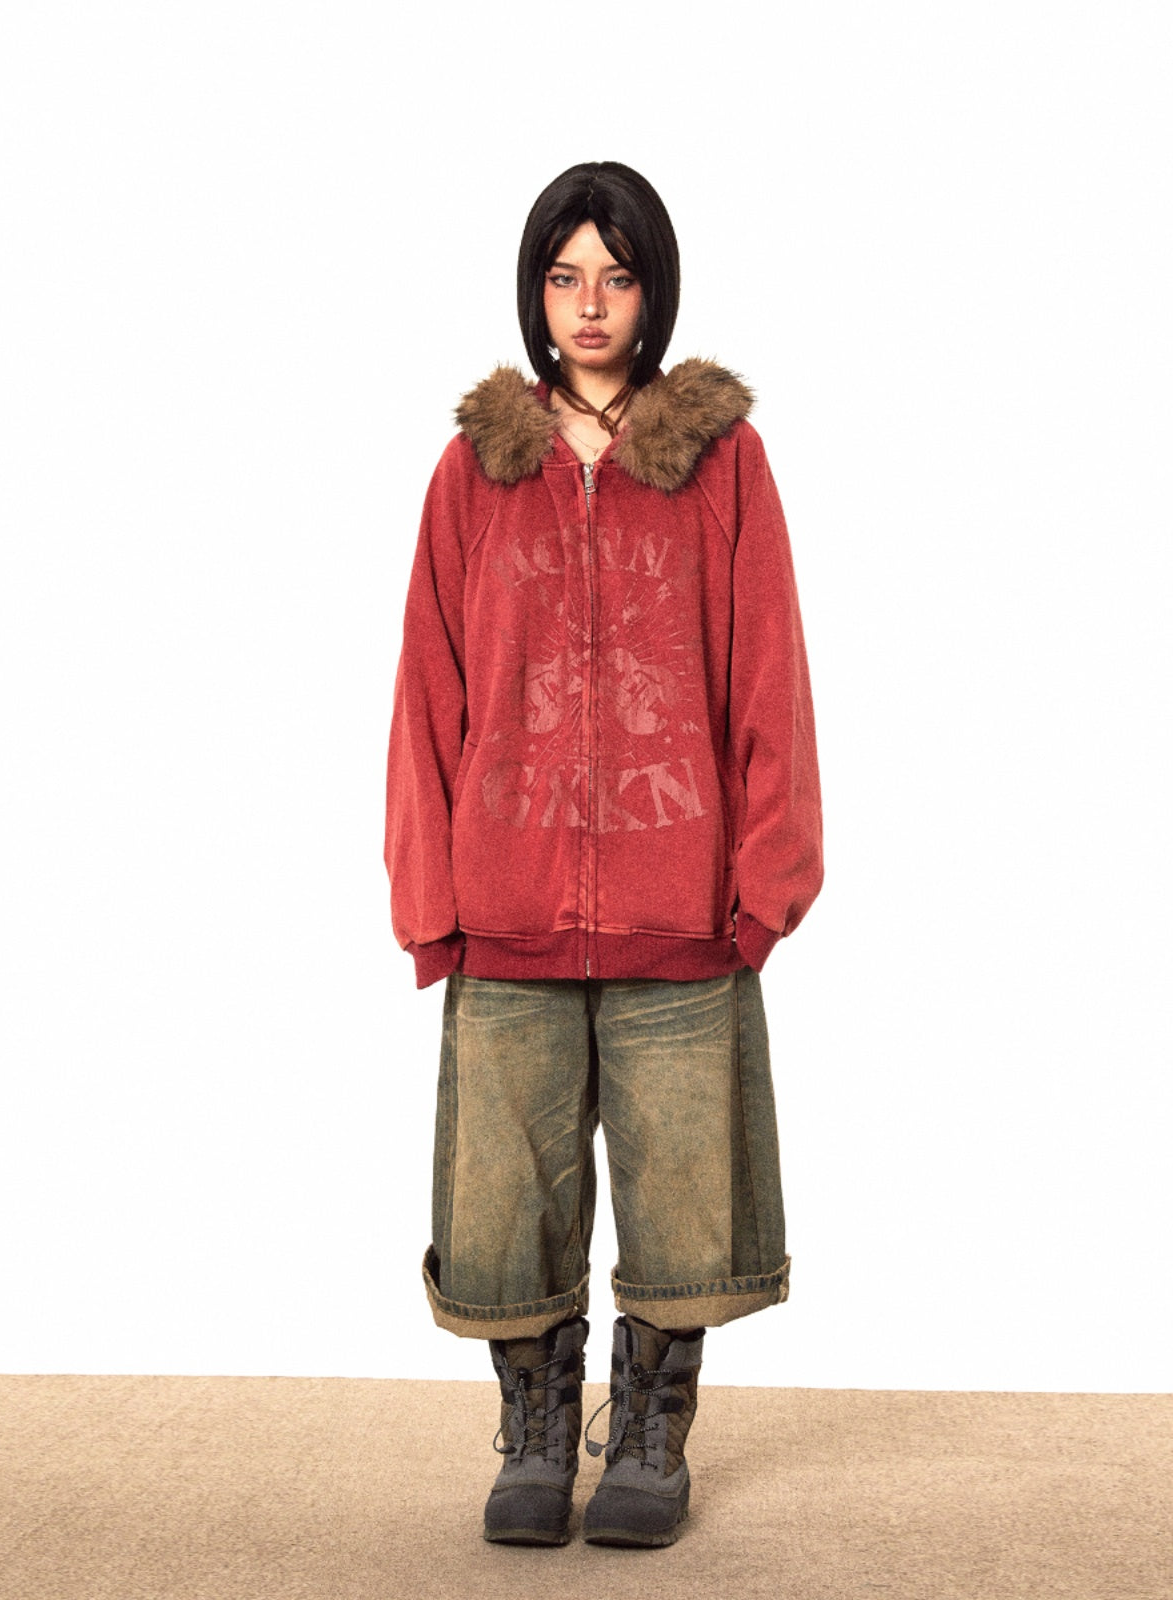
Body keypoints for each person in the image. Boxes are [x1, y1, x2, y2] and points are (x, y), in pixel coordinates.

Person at [384, 160, 823, 1548]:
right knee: (505, 1200)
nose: (590, 305)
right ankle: (534, 1427)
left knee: (685, 1194)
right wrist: (431, 900)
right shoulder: (476, 468)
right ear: (536, 292)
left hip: (681, 910)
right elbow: (428, 689)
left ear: (651, 291)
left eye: (616, 277)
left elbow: (769, 674)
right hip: (505, 907)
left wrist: (766, 885)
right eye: (565, 277)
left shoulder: (722, 461)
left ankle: (649, 1433)